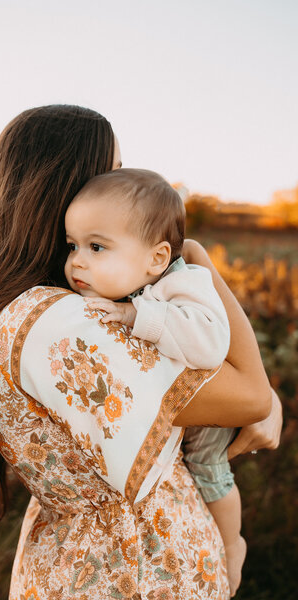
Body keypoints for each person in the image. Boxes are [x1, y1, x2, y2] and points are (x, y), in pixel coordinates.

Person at [0, 105, 282, 600]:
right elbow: (249, 396)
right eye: (114, 172)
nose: (122, 187)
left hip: (101, 564)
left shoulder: (53, 306)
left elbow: (213, 382)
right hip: (129, 572)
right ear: (69, 189)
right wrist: (195, 258)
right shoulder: (60, 324)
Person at [63, 167, 245, 595]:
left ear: (157, 259)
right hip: (174, 406)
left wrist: (136, 317)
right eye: (71, 246)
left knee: (210, 470)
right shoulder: (127, 279)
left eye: (96, 247)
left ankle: (233, 544)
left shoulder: (185, 282)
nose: (77, 260)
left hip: (208, 410)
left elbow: (211, 343)